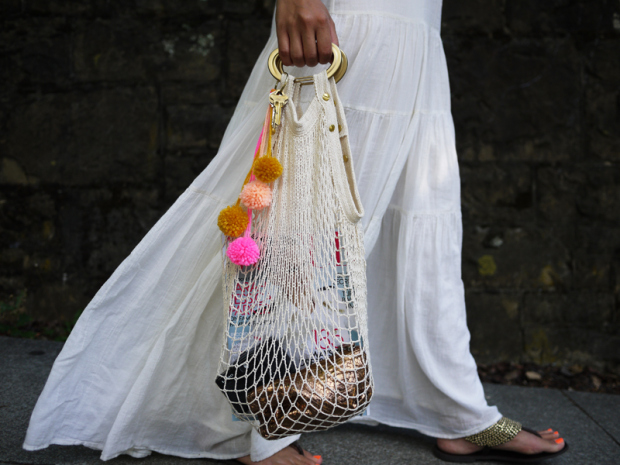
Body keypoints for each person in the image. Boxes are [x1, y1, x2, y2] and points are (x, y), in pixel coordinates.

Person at [23, 1, 568, 464]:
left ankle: (451, 403)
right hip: (351, 15)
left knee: (418, 205)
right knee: (304, 207)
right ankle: (266, 418)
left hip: (416, 23)